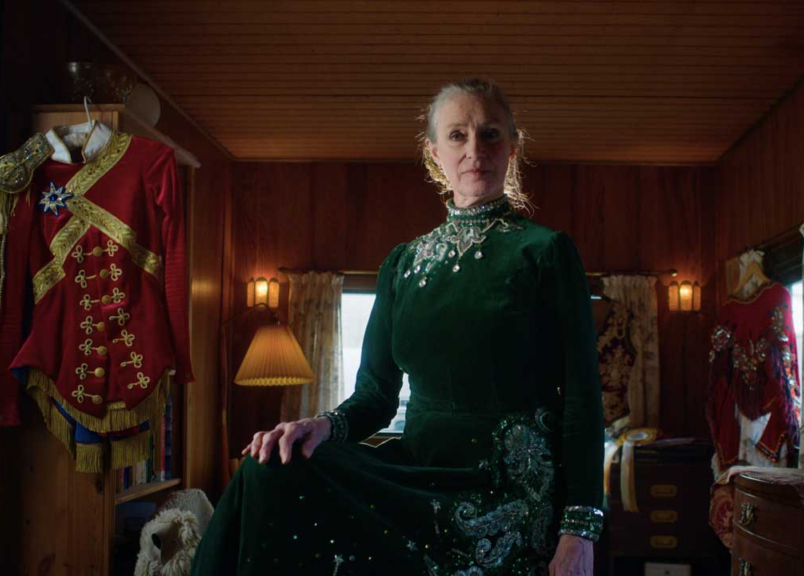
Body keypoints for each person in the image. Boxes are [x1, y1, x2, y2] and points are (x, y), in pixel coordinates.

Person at [192, 78, 604, 576]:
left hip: (508, 489)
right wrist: (319, 426)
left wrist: (580, 528)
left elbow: (582, 398)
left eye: (490, 134)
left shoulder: (546, 252)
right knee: (271, 466)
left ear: (513, 147)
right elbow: (375, 397)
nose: (475, 150)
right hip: (415, 475)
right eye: (457, 135)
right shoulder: (402, 264)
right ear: (434, 153)